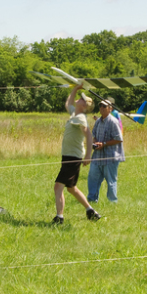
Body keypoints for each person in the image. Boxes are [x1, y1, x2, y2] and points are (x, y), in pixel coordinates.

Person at [53, 82, 101, 224]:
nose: (78, 99)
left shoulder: (80, 118)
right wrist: (75, 89)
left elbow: (88, 135)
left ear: (84, 106)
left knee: (58, 186)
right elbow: (68, 102)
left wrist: (88, 156)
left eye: (81, 99)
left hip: (73, 157)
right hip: (69, 155)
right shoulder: (76, 114)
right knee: (71, 188)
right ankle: (91, 211)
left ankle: (59, 218)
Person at [87, 97, 125, 205]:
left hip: (111, 157)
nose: (101, 108)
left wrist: (104, 144)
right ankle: (91, 200)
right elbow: (93, 135)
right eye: (100, 106)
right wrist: (95, 143)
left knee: (111, 181)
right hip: (98, 156)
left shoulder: (113, 122)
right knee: (92, 178)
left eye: (104, 106)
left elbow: (119, 139)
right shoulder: (98, 121)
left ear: (110, 109)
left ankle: (112, 203)